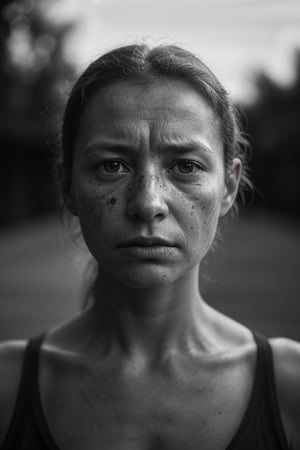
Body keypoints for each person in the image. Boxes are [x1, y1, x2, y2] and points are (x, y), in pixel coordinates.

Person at [0, 42, 299, 450]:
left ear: (228, 185)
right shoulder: (7, 386)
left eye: (185, 166)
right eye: (112, 165)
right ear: (68, 184)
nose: (147, 203)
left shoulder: (291, 386)